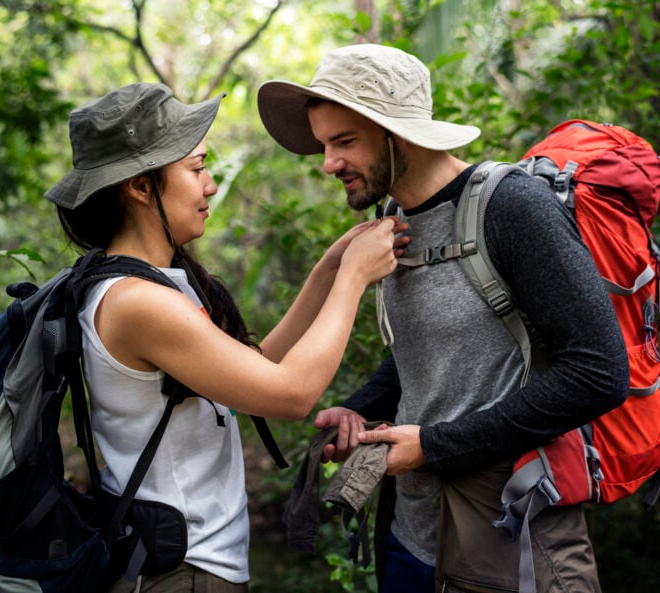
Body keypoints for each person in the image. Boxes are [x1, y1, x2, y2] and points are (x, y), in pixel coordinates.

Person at [256, 44, 629, 593]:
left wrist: (433, 446)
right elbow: (428, 354)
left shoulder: (512, 208)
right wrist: (360, 411)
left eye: (344, 142)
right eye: (324, 145)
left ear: (397, 132)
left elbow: (599, 372)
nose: (329, 163)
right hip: (410, 535)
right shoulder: (393, 220)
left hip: (511, 539)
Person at [43, 81, 404, 593]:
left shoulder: (154, 282)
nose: (210, 185)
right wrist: (353, 280)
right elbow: (290, 394)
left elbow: (254, 369)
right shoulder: (135, 302)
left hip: (185, 563)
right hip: (179, 572)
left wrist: (328, 270)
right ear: (141, 187)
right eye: (196, 169)